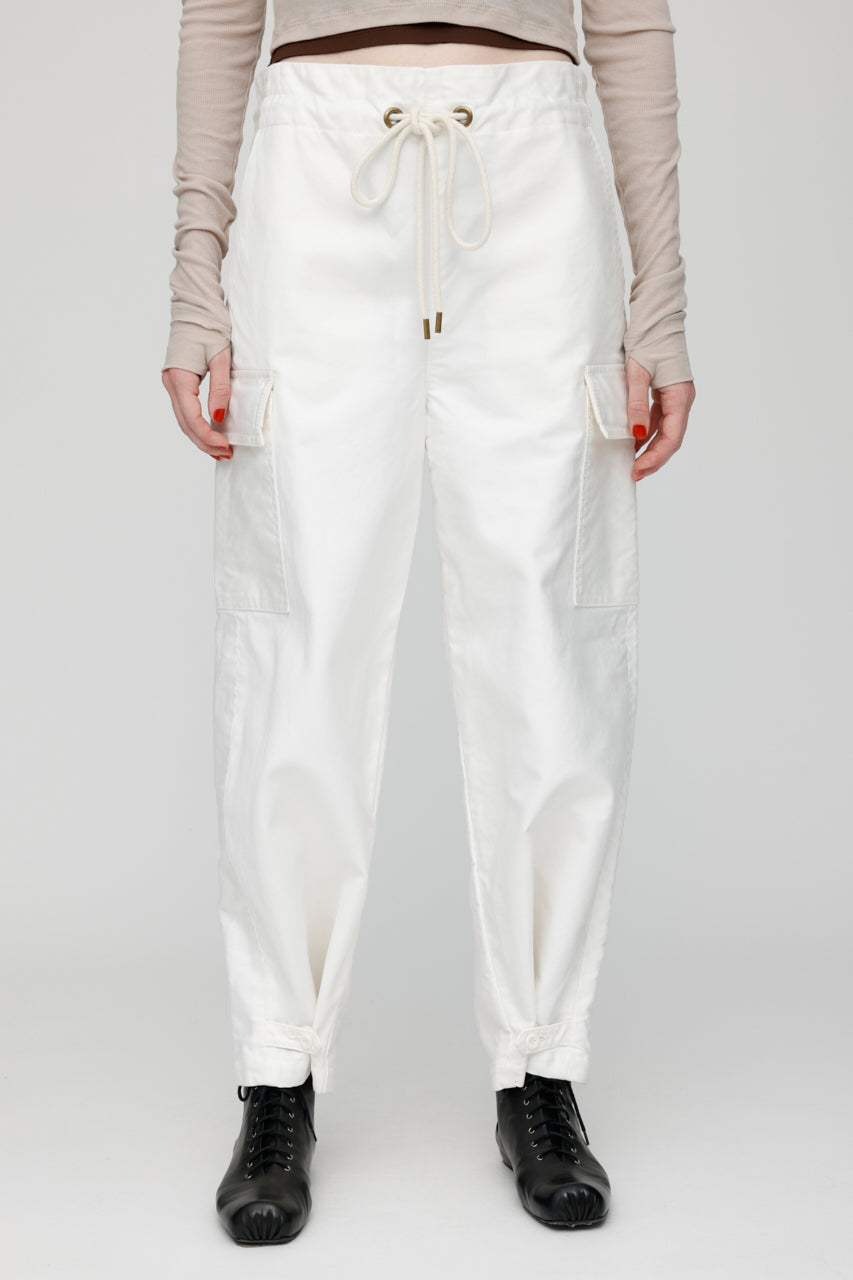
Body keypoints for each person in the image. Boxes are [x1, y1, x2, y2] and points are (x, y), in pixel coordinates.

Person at [160, 1, 696, 1246]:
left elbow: (627, 21)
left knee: (551, 642)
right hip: (316, 174)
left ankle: (540, 1062)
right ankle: (277, 1070)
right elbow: (219, 13)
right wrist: (196, 280)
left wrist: (659, 299)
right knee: (298, 638)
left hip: (535, 180)